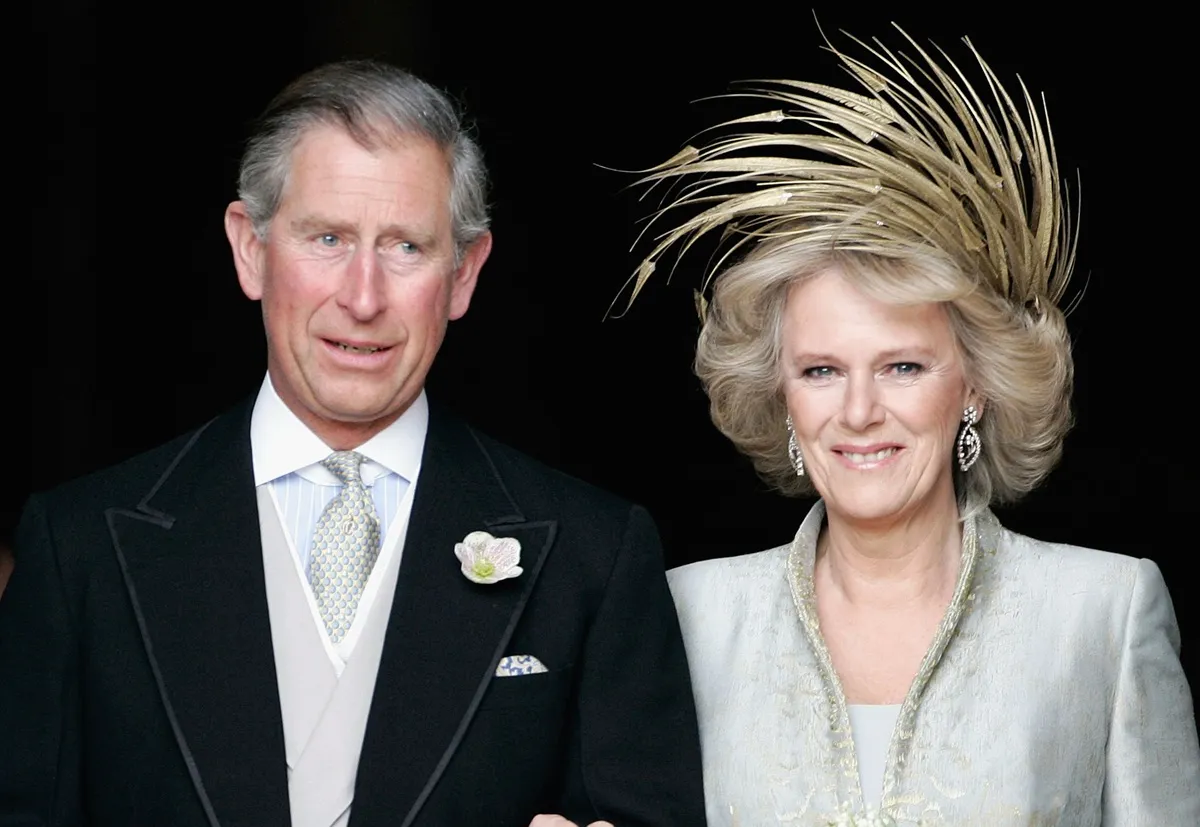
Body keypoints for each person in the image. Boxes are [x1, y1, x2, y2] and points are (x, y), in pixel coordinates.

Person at [0, 60, 705, 827]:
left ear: (464, 273)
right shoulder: (77, 552)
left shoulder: (595, 558)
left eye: (405, 246)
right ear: (250, 249)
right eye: (327, 237)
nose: (363, 297)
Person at [620, 27, 1200, 826]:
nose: (858, 411)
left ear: (973, 388)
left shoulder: (1102, 611)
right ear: (783, 396)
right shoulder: (685, 617)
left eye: (902, 366)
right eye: (821, 370)